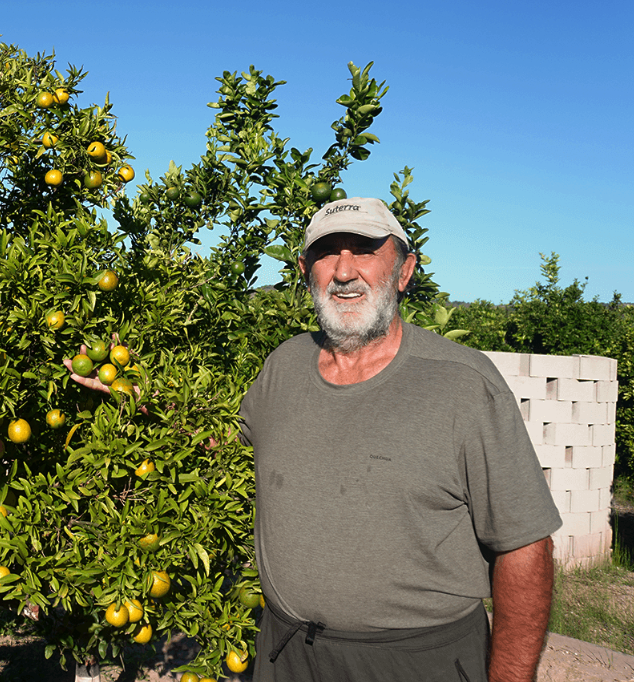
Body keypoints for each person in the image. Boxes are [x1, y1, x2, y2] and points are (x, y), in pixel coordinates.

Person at [237, 197, 561, 682]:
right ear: (306, 270)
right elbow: (217, 446)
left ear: (404, 270)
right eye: (327, 253)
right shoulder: (283, 367)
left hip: (417, 662)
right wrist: (133, 399)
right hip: (286, 655)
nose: (344, 271)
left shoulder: (463, 384)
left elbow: (524, 548)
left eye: (365, 250)